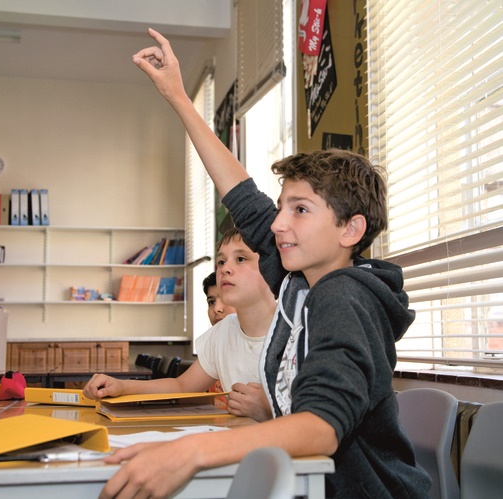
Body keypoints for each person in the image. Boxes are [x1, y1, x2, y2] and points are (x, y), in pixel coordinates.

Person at [94, 28, 432, 499]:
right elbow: (243, 198)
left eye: (300, 210)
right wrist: (177, 95)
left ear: (350, 231)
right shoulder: (302, 282)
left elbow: (320, 428)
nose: (276, 224)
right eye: (282, 207)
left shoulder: (344, 295)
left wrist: (189, 451)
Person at [84, 227, 275, 422]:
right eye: (221, 261)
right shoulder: (222, 333)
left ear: (273, 267)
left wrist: (271, 410)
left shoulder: (299, 332)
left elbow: (306, 413)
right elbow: (182, 386)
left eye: (241, 259)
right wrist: (123, 386)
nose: (224, 269)